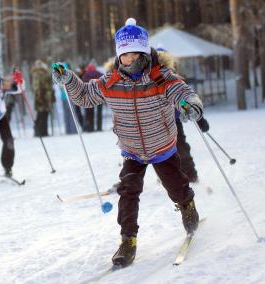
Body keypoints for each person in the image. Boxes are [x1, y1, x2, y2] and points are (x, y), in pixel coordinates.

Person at [52, 18, 204, 267]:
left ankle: (187, 204)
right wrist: (69, 79)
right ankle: (127, 240)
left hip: (161, 145)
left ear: (144, 53)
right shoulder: (111, 81)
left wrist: (191, 106)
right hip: (132, 149)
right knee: (128, 192)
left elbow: (182, 93)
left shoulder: (160, 77)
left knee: (176, 186)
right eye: (124, 56)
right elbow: (85, 96)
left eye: (134, 54)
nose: (129, 60)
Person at [156, 47, 210, 183]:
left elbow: (182, 100)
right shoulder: (148, 80)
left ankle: (190, 174)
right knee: (159, 151)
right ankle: (165, 176)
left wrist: (198, 117)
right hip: (155, 122)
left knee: (180, 147)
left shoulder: (172, 80)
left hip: (173, 121)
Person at [31, 60, 55, 137]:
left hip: (44, 96)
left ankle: (43, 131)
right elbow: (36, 87)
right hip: (42, 96)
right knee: (42, 114)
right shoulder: (38, 74)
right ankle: (40, 131)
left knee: (43, 114)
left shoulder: (43, 73)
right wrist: (38, 97)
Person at [81, 63, 103, 132]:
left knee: (90, 113)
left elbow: (83, 85)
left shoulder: (86, 75)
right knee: (99, 112)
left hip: (90, 96)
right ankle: (99, 127)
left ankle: (91, 127)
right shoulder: (99, 73)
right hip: (100, 95)